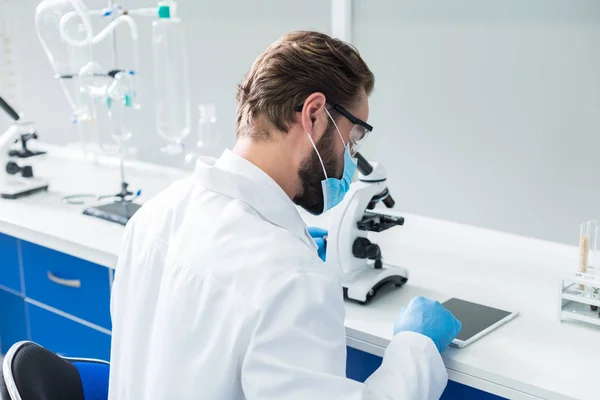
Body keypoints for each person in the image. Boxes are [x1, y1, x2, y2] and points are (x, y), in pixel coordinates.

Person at [108, 30, 461, 400]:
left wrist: (295, 243)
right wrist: (415, 349)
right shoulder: (291, 278)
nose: (350, 160)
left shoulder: (153, 217)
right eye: (352, 138)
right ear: (314, 115)